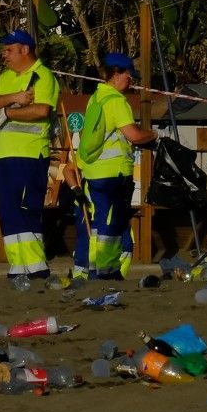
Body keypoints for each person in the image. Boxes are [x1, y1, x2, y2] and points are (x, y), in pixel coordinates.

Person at [0, 29, 60, 283]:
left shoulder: (42, 76)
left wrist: (8, 113)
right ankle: (18, 267)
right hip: (4, 153)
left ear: (25, 49)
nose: (4, 54)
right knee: (8, 210)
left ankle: (37, 267)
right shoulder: (8, 77)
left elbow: (42, 110)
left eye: (9, 49)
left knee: (25, 208)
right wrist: (14, 99)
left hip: (30, 153)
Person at [66, 52, 156, 280]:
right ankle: (106, 272)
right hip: (113, 176)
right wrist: (153, 135)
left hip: (94, 174)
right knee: (110, 227)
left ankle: (96, 271)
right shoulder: (116, 101)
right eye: (128, 74)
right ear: (116, 74)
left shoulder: (96, 98)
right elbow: (133, 135)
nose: (131, 79)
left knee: (99, 227)